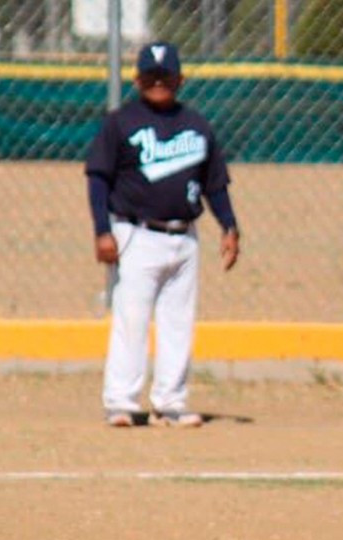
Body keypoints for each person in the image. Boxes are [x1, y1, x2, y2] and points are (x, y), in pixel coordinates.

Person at [85, 41, 240, 428]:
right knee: (131, 319)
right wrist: (103, 231)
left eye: (165, 77)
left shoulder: (196, 125)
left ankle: (170, 401)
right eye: (151, 77)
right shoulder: (120, 122)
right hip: (136, 233)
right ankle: (120, 400)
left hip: (184, 235)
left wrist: (229, 226)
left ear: (180, 79)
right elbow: (98, 179)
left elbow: (214, 183)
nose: (158, 83)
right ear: (137, 80)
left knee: (178, 321)